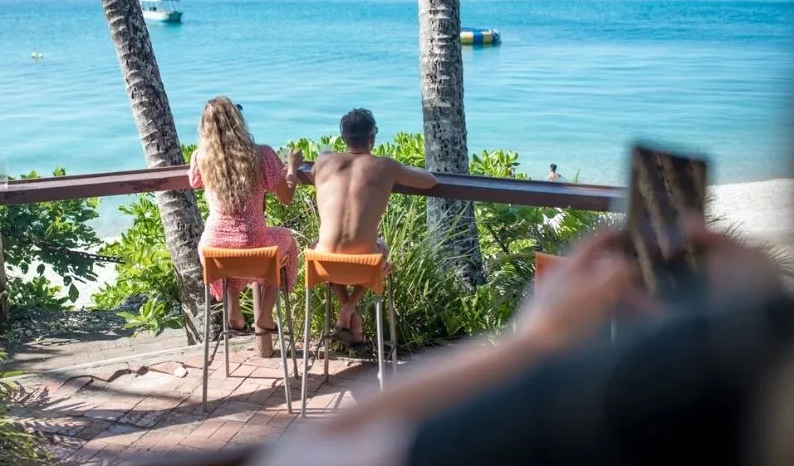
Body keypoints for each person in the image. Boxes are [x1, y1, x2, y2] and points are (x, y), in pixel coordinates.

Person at [252, 219, 794, 466]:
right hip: (364, 264)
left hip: (317, 265)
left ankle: (301, 324)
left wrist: (531, 342)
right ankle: (352, 314)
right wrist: (749, 319)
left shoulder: (583, 424)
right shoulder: (743, 379)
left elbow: (306, 451)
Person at [309, 108, 437, 345]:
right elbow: (430, 181)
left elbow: (312, 174)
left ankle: (351, 318)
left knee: (320, 245)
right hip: (365, 263)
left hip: (323, 262)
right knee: (382, 248)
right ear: (372, 136)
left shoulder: (324, 160)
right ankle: (348, 312)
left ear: (344, 138)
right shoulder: (385, 166)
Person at [188, 96, 304, 334]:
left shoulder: (201, 157)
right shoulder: (261, 154)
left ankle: (233, 309)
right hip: (253, 244)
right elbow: (286, 197)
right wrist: (291, 168)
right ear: (238, 121)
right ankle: (265, 315)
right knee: (285, 242)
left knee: (231, 259)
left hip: (213, 248)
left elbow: (194, 181)